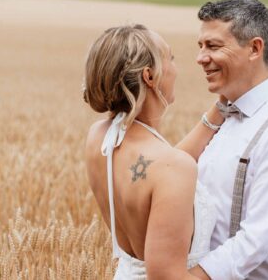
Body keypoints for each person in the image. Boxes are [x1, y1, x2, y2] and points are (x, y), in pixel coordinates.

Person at [189, 0, 268, 279]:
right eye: (200, 46)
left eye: (213, 46)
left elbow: (255, 242)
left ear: (255, 48)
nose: (201, 57)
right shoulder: (220, 118)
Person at [83, 24, 224, 279]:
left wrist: (215, 114)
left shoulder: (98, 137)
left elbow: (160, 170)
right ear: (149, 76)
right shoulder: (171, 168)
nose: (175, 68)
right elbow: (167, 276)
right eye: (170, 58)